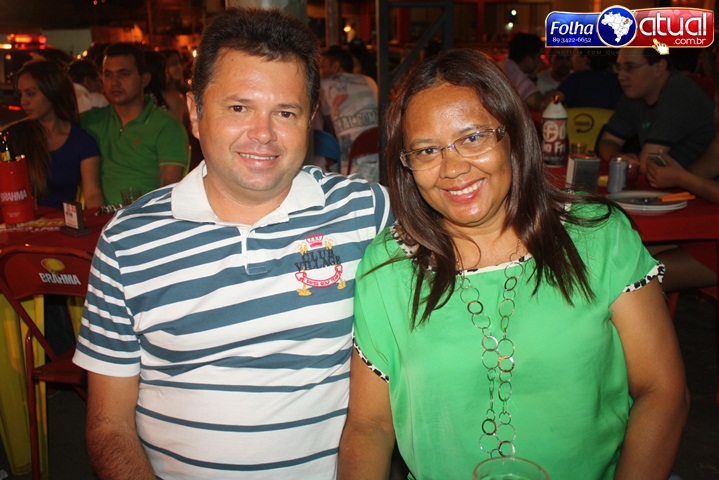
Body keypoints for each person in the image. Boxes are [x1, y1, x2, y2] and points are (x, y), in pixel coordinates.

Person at [73, 7, 392, 479]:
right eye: (239, 108)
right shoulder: (127, 241)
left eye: (285, 112)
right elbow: (108, 425)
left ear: (311, 120)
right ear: (195, 113)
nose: (263, 134)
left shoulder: (366, 213)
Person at [338, 49, 688, 479]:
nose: (453, 169)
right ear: (407, 166)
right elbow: (369, 427)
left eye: (473, 138)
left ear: (514, 135)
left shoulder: (597, 237)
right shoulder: (389, 266)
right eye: (427, 150)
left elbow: (662, 391)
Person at [80, 42, 189, 206]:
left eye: (123, 74)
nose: (114, 82)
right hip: (100, 217)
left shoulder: (167, 127)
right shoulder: (91, 121)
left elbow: (167, 192)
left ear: (144, 79)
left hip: (147, 216)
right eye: (108, 75)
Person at [597, 47, 714, 173]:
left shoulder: (679, 92)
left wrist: (623, 162)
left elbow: (647, 165)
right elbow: (607, 141)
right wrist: (617, 156)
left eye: (630, 68)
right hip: (674, 180)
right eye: (619, 67)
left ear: (659, 68)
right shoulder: (635, 92)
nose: (620, 76)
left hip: (701, 182)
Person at [6, 60, 103, 209]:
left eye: (31, 94)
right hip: (21, 219)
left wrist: (98, 219)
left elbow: (92, 194)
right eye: (21, 94)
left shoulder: (82, 142)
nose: (24, 101)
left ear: (52, 91)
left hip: (62, 220)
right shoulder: (14, 137)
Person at [319, 45, 379, 181]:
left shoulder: (325, 84)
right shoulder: (369, 81)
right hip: (378, 153)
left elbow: (327, 125)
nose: (321, 72)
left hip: (352, 163)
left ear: (335, 66)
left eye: (323, 67)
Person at [499, 33, 556, 113]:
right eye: (539, 56)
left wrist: (533, 76)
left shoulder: (506, 66)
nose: (541, 61)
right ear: (528, 60)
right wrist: (560, 93)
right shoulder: (514, 75)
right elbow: (543, 105)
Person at [558, 48, 622, 109]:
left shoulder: (575, 80)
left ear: (585, 58)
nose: (571, 58)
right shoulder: (617, 80)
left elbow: (556, 98)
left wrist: (554, 102)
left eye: (574, 54)